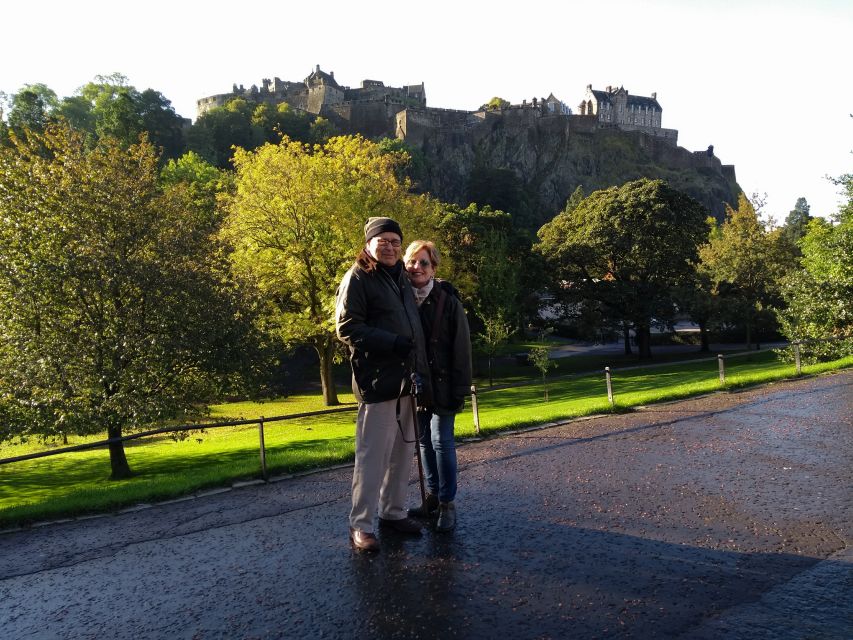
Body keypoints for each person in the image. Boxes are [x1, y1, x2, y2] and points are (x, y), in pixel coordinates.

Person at [335, 217, 431, 552]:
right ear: (369, 244)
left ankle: (392, 512)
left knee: (402, 454)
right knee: (372, 457)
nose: (389, 246)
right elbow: (346, 327)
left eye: (395, 241)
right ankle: (360, 525)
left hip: (406, 380)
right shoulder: (358, 277)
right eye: (383, 240)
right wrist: (392, 342)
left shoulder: (400, 278)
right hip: (377, 382)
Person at [403, 240, 472, 532]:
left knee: (441, 440)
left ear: (434, 268)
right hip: (416, 387)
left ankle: (447, 503)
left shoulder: (448, 301)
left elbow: (462, 349)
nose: (417, 267)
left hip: (444, 385)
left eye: (424, 262)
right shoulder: (401, 299)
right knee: (423, 443)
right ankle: (431, 497)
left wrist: (460, 390)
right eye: (412, 262)